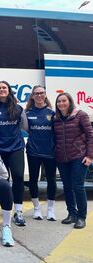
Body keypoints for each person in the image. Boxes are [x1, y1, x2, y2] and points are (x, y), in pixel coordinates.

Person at [0, 80, 28, 226]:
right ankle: (1, 209)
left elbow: (25, 126)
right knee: (2, 180)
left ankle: (18, 211)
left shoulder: (17, 108)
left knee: (17, 176)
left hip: (16, 147)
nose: (2, 90)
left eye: (4, 88)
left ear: (9, 90)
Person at [53, 92, 93, 229]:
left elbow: (90, 136)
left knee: (78, 186)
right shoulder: (56, 119)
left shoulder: (81, 115)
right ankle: (72, 214)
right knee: (67, 187)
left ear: (70, 102)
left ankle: (81, 217)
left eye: (64, 101)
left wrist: (90, 156)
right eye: (59, 102)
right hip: (62, 158)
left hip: (79, 156)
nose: (61, 104)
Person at [25, 85, 57, 221]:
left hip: (50, 152)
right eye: (36, 93)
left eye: (42, 93)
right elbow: (26, 130)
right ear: (32, 96)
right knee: (33, 179)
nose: (39, 95)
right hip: (33, 152)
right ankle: (37, 209)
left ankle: (50, 210)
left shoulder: (53, 113)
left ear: (45, 95)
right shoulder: (28, 113)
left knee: (51, 180)